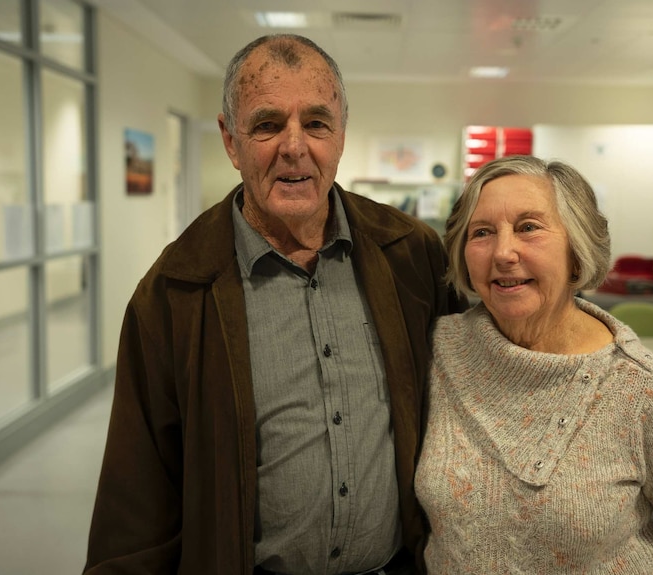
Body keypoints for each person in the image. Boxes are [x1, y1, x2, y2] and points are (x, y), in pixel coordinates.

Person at [84, 34, 464, 575]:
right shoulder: (174, 294)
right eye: (266, 124)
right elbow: (138, 500)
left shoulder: (410, 253)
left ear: (340, 136)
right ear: (230, 140)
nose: (294, 147)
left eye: (316, 123)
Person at [413, 155, 653, 573]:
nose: (503, 253)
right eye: (482, 232)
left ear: (577, 251)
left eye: (529, 227)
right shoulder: (439, 349)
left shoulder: (635, 385)